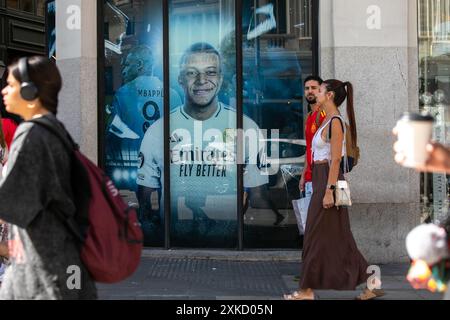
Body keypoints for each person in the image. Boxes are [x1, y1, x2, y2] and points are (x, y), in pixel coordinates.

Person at [137, 42, 268, 234]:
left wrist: (233, 228)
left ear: (221, 79)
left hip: (229, 242)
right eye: (191, 72)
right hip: (174, 242)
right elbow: (144, 194)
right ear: (180, 79)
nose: (201, 80)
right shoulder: (158, 131)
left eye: (211, 72)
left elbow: (257, 195)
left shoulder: (246, 127)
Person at [0, 56, 97, 299]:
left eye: (10, 85)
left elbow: (10, 207)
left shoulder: (31, 135)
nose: (3, 90)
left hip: (42, 274)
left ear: (29, 91)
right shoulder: (56, 131)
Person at [284, 79, 383, 300]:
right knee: (341, 238)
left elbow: (336, 160)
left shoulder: (335, 122)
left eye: (319, 90)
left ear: (329, 95)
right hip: (323, 179)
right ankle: (372, 284)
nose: (315, 93)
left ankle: (306, 291)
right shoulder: (326, 120)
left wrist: (328, 191)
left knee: (313, 236)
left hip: (330, 180)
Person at [105, 45, 181, 191]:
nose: (123, 70)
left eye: (126, 64)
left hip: (133, 166)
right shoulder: (173, 95)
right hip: (164, 165)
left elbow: (112, 135)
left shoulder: (123, 93)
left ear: (139, 65)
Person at [300, 76, 326, 206]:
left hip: (321, 178)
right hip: (310, 178)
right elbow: (309, 148)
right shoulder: (309, 116)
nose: (310, 91)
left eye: (314, 88)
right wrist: (304, 175)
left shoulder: (324, 115)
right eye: (307, 88)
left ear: (321, 90)